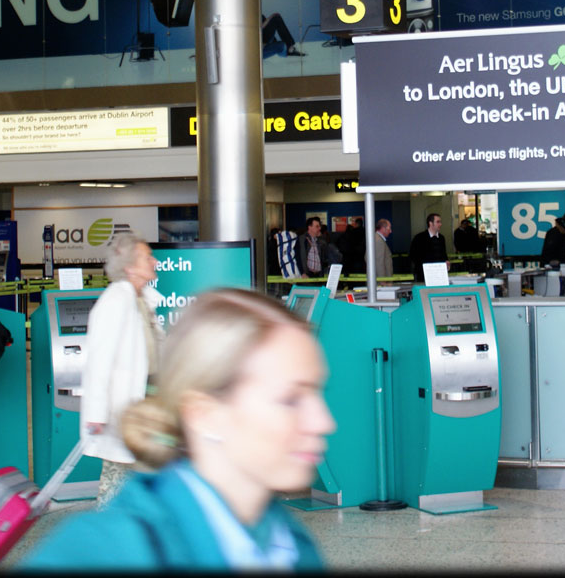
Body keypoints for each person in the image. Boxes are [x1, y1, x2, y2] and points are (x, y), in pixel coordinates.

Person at [20, 289, 333, 571]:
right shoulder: (101, 553)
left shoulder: (292, 544)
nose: (323, 422)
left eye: (316, 392)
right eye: (290, 399)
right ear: (205, 414)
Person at [81, 231, 163, 507]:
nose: (154, 261)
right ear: (129, 266)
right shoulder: (116, 301)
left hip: (146, 407)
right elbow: (98, 361)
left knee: (144, 478)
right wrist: (95, 413)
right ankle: (109, 541)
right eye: (146, 257)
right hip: (123, 412)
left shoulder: (143, 300)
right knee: (116, 482)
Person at [408, 213, 448, 282]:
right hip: (423, 275)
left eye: (440, 222)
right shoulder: (419, 238)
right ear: (430, 223)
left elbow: (444, 254)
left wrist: (446, 261)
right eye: (438, 222)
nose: (440, 224)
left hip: (439, 274)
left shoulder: (441, 238)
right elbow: (413, 255)